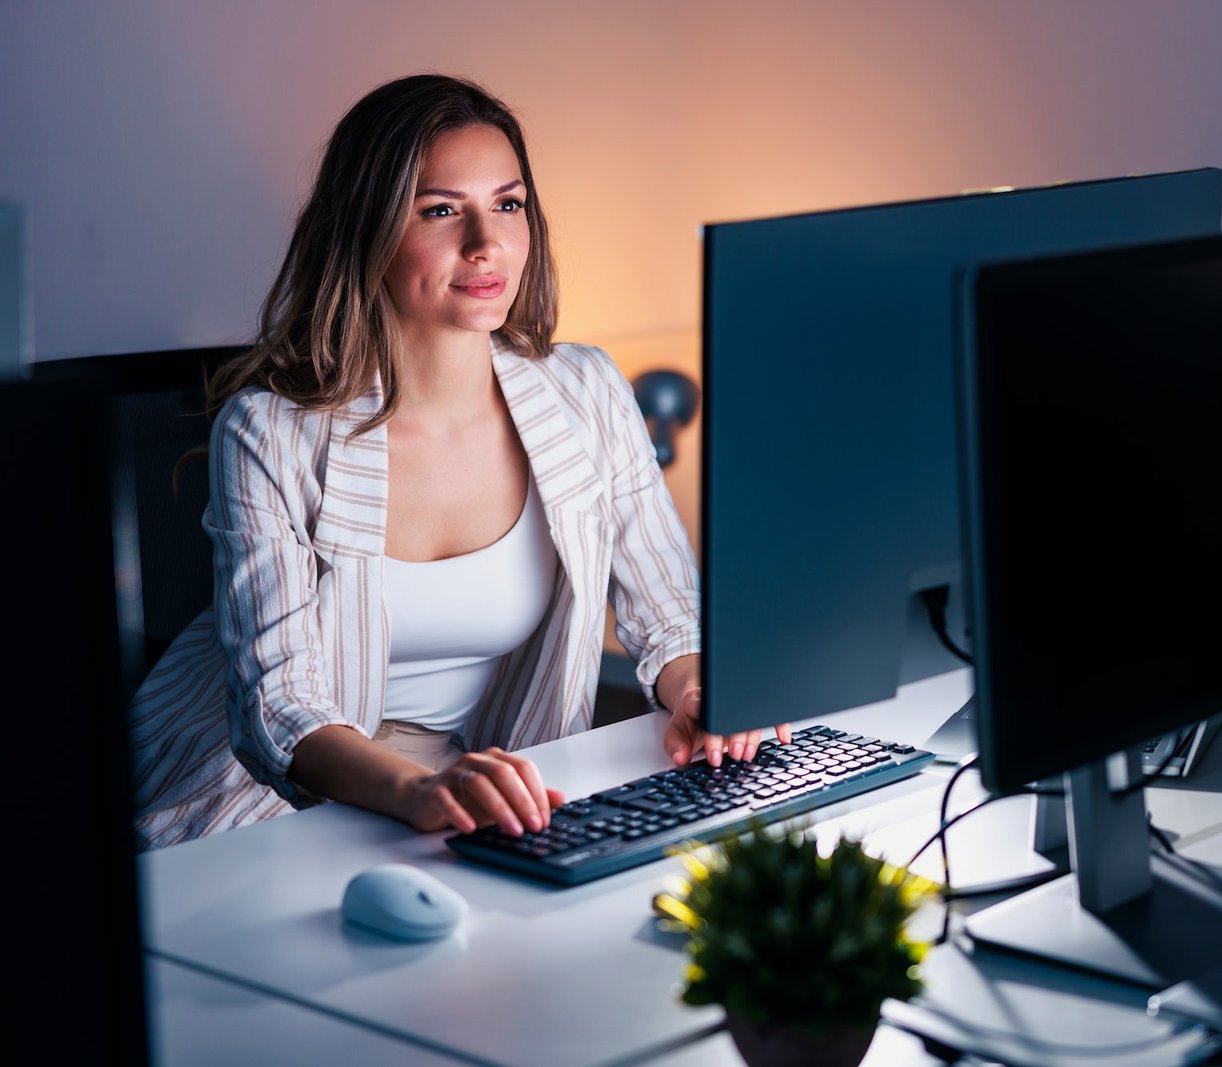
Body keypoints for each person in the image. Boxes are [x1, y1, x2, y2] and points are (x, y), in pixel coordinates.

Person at [128, 72, 788, 852]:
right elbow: (281, 711)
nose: (486, 244)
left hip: (459, 787)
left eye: (508, 205)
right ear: (367, 230)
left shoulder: (587, 390)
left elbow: (669, 613)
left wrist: (697, 689)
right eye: (441, 210)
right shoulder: (269, 431)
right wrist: (420, 791)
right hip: (239, 802)